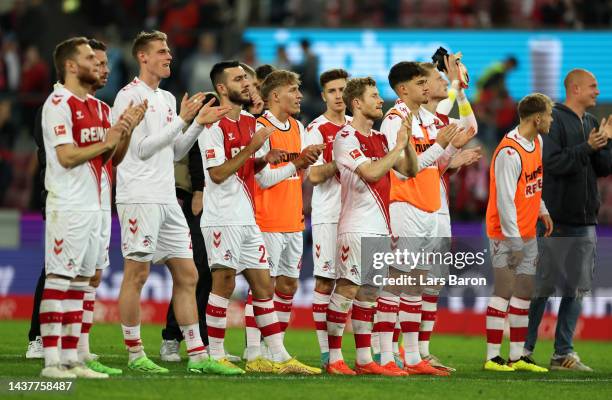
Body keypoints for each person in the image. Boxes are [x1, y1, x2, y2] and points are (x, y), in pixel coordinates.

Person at [112, 30, 231, 374]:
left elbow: (174, 150)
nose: (169, 56)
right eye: (161, 52)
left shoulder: (164, 98)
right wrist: (182, 120)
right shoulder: (128, 97)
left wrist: (195, 126)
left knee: (188, 273)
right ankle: (135, 354)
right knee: (137, 273)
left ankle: (197, 354)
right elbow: (141, 149)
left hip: (166, 198)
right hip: (139, 196)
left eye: (169, 51)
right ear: (143, 57)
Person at [199, 60, 320, 375]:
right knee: (224, 282)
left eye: (247, 79)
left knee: (264, 286)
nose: (247, 84)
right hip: (222, 216)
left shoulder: (250, 125)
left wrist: (261, 159)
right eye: (239, 79)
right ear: (223, 88)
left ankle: (278, 356)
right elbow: (217, 174)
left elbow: (249, 171)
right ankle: (215, 355)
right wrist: (253, 150)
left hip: (246, 217)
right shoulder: (212, 125)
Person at [39, 36, 142, 379]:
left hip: (95, 205)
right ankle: (51, 362)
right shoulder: (58, 103)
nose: (99, 65)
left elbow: (112, 158)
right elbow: (66, 156)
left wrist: (125, 131)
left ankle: (72, 360)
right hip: (67, 204)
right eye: (90, 59)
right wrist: (109, 139)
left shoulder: (100, 108)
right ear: (71, 65)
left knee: (82, 282)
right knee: (59, 279)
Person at [378, 61, 470, 376]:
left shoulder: (426, 118)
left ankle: (414, 357)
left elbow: (434, 161)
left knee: (416, 285)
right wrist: (442, 146)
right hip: (405, 205)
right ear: (403, 89)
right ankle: (385, 357)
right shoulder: (394, 120)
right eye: (420, 83)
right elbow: (407, 167)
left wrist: (450, 152)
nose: (426, 87)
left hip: (430, 205)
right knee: (396, 282)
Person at [325, 76, 417, 376]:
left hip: (379, 228)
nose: (380, 100)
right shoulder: (346, 137)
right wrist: (397, 147)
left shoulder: (379, 138)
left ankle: (364, 360)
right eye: (374, 96)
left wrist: (408, 141)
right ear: (357, 103)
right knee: (348, 289)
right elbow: (373, 172)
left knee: (368, 294)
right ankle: (335, 358)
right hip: (356, 226)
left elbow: (410, 170)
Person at [524, 69, 612, 371]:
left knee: (577, 288)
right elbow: (551, 164)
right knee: (543, 287)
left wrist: (605, 145)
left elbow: (601, 169)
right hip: (556, 219)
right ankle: (524, 350)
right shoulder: (554, 120)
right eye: (593, 86)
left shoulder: (589, 122)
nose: (597, 92)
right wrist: (588, 146)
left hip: (586, 219)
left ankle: (563, 353)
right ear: (574, 88)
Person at [242, 70, 323, 360]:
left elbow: (296, 174)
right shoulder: (259, 127)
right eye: (293, 90)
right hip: (266, 219)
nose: (300, 95)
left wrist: (306, 161)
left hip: (293, 219)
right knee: (263, 286)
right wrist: (297, 163)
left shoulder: (299, 128)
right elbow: (262, 179)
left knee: (288, 285)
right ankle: (253, 351)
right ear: (275, 95)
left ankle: (272, 349)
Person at [414, 58, 480, 372]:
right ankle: (397, 350)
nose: (442, 83)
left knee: (432, 283)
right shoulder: (415, 119)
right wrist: (455, 85)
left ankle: (421, 350)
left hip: (438, 204)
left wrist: (461, 92)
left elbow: (469, 128)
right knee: (406, 282)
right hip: (414, 205)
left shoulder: (436, 120)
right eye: (437, 80)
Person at [484, 93, 554, 373]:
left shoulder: (537, 141)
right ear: (537, 118)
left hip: (528, 230)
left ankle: (517, 356)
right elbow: (504, 201)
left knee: (524, 293)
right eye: (548, 115)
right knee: (504, 291)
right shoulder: (508, 152)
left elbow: (534, 181)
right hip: (505, 234)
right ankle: (492, 357)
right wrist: (514, 242)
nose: (550, 121)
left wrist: (542, 209)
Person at [304, 68, 351, 368]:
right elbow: (314, 175)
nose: (338, 95)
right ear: (323, 96)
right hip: (329, 215)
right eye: (332, 91)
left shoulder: (357, 126)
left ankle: (363, 350)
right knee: (324, 282)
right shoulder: (316, 129)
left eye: (342, 89)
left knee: (358, 284)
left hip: (358, 216)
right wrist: (342, 160)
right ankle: (327, 352)